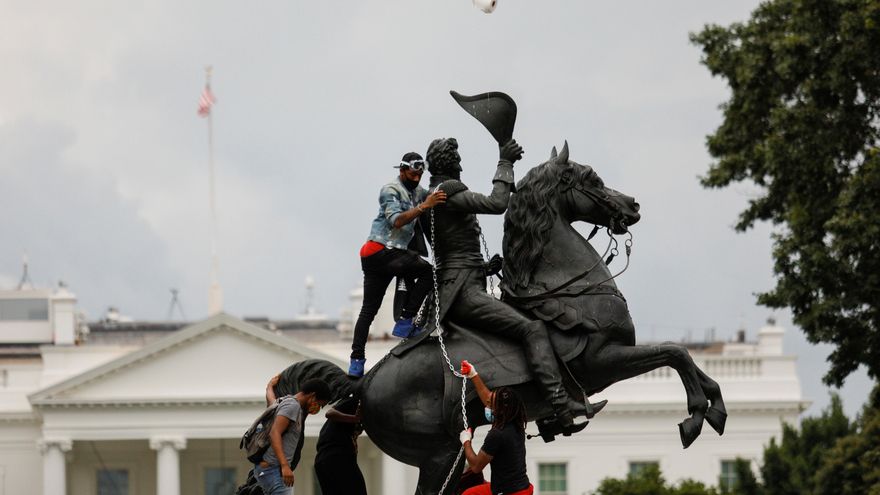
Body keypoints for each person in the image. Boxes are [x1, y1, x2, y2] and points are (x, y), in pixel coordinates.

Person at [424, 137, 599, 431]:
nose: (462, 164)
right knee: (532, 328)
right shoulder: (447, 193)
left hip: (464, 281)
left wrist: (483, 268)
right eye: (458, 159)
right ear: (451, 163)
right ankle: (559, 406)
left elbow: (450, 250)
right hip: (464, 292)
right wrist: (505, 162)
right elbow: (496, 203)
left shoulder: (432, 196)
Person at [349, 152, 447, 377]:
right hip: (381, 251)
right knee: (429, 272)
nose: (416, 178)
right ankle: (404, 321)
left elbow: (433, 194)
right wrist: (424, 207)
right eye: (413, 174)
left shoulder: (417, 191)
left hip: (387, 255)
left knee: (368, 310)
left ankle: (356, 363)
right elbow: (397, 220)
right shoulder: (390, 190)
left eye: (420, 175)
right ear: (402, 170)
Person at [459, 360, 533, 495]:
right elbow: (488, 397)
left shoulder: (497, 434)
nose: (487, 407)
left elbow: (475, 466)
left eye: (490, 406)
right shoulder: (515, 422)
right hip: (521, 487)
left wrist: (466, 441)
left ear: (500, 410)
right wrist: (473, 374)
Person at [255, 376, 331, 495]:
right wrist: (284, 466)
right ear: (312, 395)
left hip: (269, 470)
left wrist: (269, 387)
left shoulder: (286, 401)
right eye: (319, 404)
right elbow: (274, 433)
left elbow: (271, 401)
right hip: (275, 469)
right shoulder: (293, 406)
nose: (318, 408)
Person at [314, 395, 367, 495]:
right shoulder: (355, 401)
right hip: (336, 455)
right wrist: (354, 419)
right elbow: (329, 413)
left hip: (325, 459)